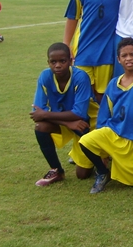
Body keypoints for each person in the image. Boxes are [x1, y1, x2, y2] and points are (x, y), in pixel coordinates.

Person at [79, 38, 133, 194]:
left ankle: (122, 165)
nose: (128, 58)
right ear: (118, 60)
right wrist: (102, 150)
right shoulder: (113, 84)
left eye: (132, 54)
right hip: (113, 132)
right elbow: (104, 115)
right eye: (124, 55)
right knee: (85, 141)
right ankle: (102, 172)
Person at [63, 0, 122, 103]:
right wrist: (66, 45)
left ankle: (102, 128)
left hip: (107, 52)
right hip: (83, 50)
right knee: (81, 96)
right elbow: (72, 17)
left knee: (102, 96)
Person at [31, 43, 96, 186]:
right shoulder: (45, 76)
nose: (58, 65)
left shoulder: (81, 77)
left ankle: (101, 156)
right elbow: (37, 112)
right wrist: (68, 123)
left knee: (82, 175)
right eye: (53, 62)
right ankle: (56, 170)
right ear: (48, 62)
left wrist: (46, 115)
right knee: (40, 126)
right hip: (69, 122)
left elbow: (79, 113)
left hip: (87, 124)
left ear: (71, 61)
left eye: (62, 61)